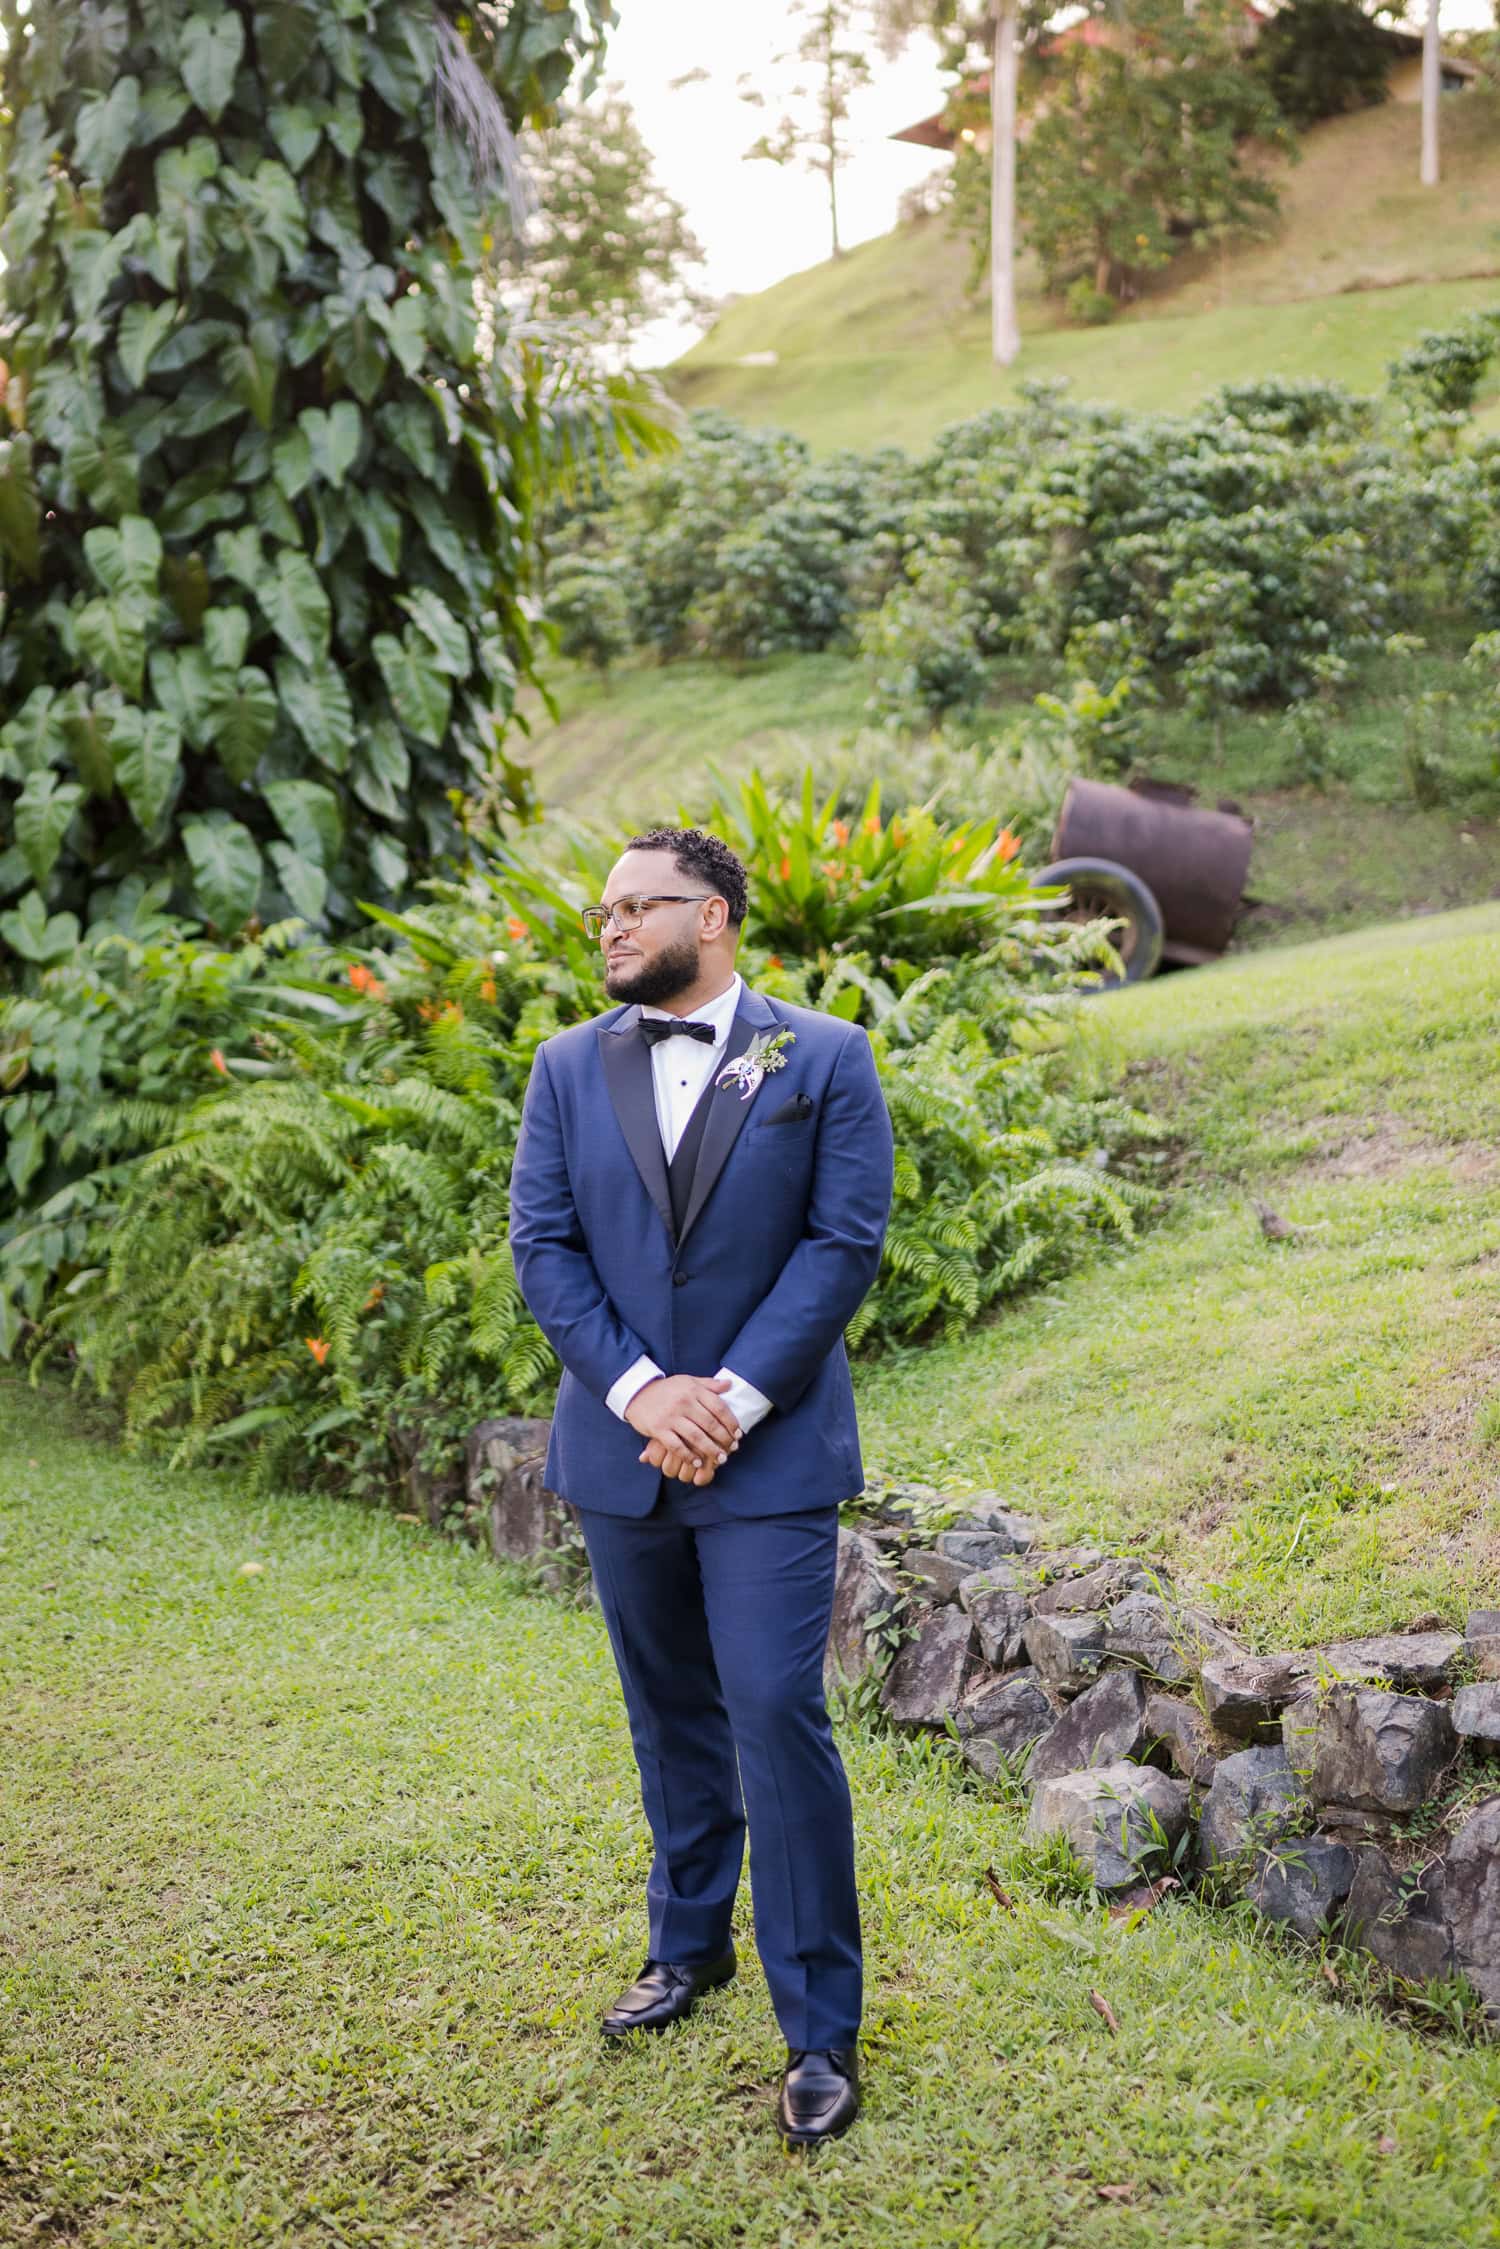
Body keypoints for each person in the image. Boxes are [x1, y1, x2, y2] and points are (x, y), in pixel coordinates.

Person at [508, 825, 894, 2148]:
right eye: (602, 909)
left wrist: (724, 1399)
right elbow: (542, 1245)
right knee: (666, 1705)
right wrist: (641, 1394)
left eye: (636, 905)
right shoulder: (567, 1068)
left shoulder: (822, 1060)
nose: (609, 926)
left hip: (769, 1451)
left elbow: (844, 1243)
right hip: (624, 1445)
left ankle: (820, 2028)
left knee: (777, 1707)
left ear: (714, 915)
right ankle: (688, 1951)